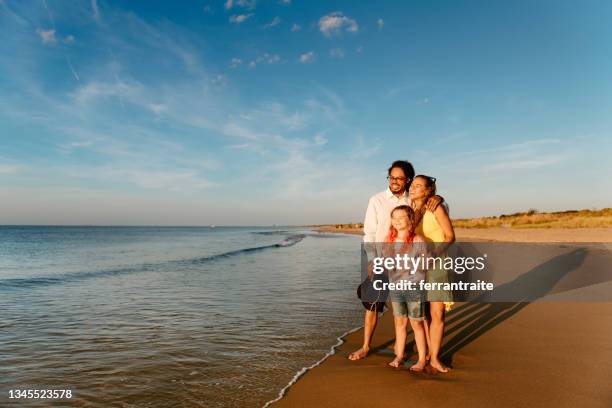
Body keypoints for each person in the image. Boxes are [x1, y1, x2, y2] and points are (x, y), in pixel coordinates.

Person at [348, 161, 442, 361]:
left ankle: (425, 354)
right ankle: (365, 347)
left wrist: (437, 197)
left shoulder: (414, 199)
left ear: (407, 179)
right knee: (373, 302)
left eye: (399, 178)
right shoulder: (377, 200)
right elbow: (369, 232)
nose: (394, 181)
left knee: (417, 306)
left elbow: (430, 199)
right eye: (391, 177)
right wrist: (372, 259)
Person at [409, 175, 455, 373]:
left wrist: (433, 255)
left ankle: (435, 358)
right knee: (424, 312)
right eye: (412, 185)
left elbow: (450, 236)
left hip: (437, 264)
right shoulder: (411, 209)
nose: (413, 188)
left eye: (418, 186)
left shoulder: (435, 207)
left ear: (428, 190)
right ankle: (425, 353)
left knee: (437, 312)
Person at [385, 206, 428, 372]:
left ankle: (422, 359)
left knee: (417, 323)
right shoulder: (388, 240)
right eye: (394, 217)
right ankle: (399, 356)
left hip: (414, 287)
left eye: (401, 217)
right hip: (396, 288)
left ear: (410, 220)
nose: (396, 220)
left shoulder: (417, 240)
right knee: (399, 322)